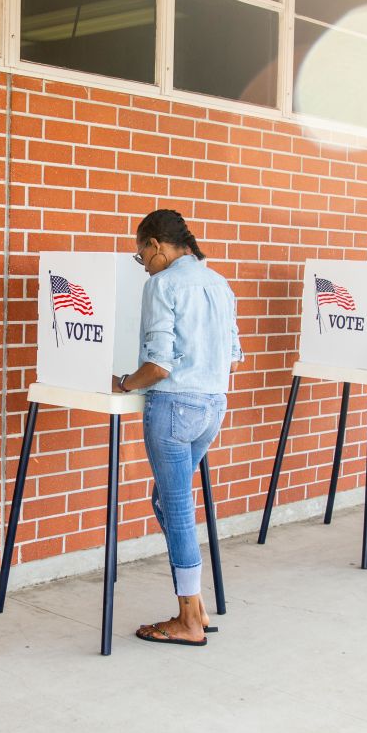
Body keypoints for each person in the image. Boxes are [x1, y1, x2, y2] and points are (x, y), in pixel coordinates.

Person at [112, 209, 242, 646]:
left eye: (141, 256)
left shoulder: (162, 284)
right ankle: (197, 607)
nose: (144, 266)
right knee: (167, 501)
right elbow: (234, 356)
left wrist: (124, 383)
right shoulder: (219, 283)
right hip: (213, 406)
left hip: (173, 408)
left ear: (156, 245)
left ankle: (188, 620)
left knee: (178, 506)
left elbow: (159, 366)